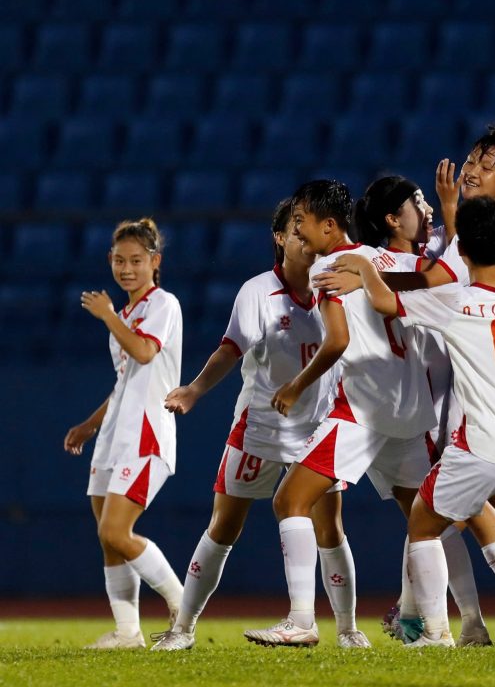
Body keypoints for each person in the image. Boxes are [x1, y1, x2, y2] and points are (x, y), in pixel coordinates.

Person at [319, 123, 495, 612]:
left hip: (462, 382)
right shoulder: (474, 229)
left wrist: (367, 274)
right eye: (472, 157)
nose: (471, 168)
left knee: (450, 507)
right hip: (485, 383)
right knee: (486, 503)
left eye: (486, 164)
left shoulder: (471, 237)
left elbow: (433, 278)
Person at [342, 197, 495, 647]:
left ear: (465, 254)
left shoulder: (453, 300)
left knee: (422, 523)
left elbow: (382, 302)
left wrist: (362, 264)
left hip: (485, 449)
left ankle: (436, 632)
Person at [149, 199, 368, 651]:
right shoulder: (257, 291)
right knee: (224, 526)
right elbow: (231, 348)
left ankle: (347, 630)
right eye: (295, 231)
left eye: (306, 230)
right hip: (262, 428)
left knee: (331, 527)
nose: (304, 241)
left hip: (317, 427)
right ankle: (182, 629)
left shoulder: (336, 285)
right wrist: (194, 389)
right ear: (280, 238)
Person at [242, 179, 438, 647]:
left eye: (300, 221)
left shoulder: (328, 267)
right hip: (411, 407)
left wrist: (296, 384)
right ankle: (440, 628)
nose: (296, 230)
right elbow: (435, 277)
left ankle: (302, 621)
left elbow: (337, 341)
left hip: (364, 408)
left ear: (328, 225)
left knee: (289, 501)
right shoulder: (380, 258)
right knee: (425, 520)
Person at [354, 176, 491, 645]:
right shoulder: (380, 260)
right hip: (417, 403)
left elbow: (458, 256)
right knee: (436, 518)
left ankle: (428, 614)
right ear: (392, 219)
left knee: (437, 518)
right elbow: (449, 269)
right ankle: (452, 618)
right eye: (417, 201)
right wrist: (453, 211)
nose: (428, 205)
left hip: (441, 398)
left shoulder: (420, 252)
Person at [63, 218, 184, 649]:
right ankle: (128, 632)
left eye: (136, 260)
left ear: (155, 261)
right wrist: (90, 424)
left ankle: (181, 606)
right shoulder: (130, 312)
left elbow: (146, 353)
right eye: (119, 260)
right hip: (116, 433)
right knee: (106, 536)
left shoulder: (163, 304)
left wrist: (109, 316)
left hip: (147, 432)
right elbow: (124, 379)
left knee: (117, 532)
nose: (126, 268)